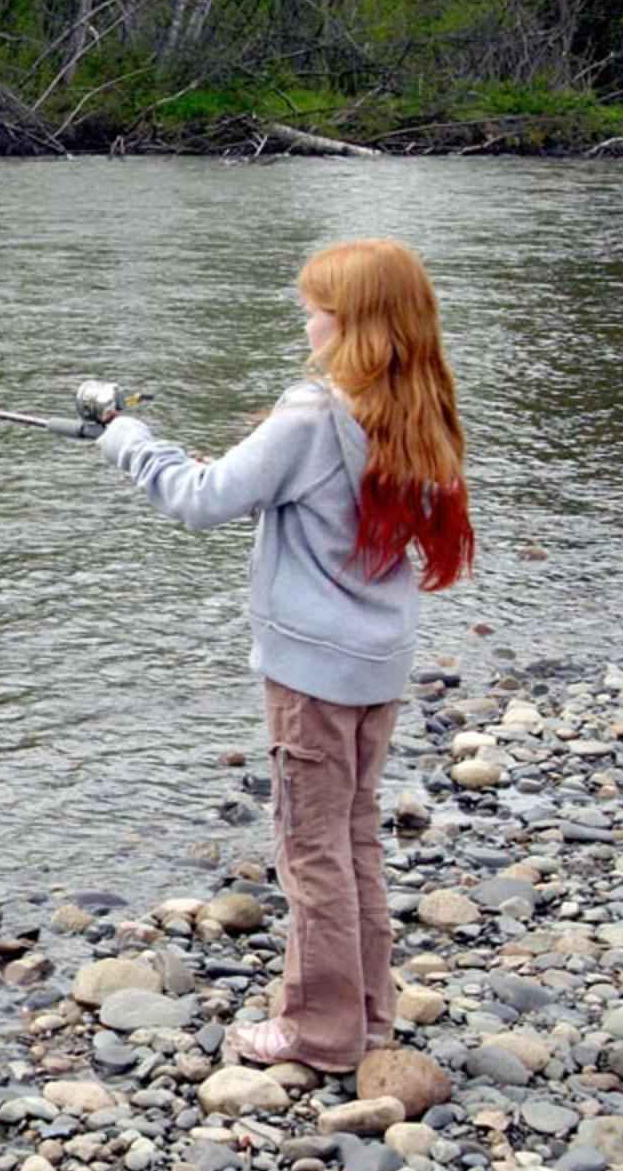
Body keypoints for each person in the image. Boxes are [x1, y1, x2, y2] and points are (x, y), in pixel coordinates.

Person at [93, 238, 476, 1073]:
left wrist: (125, 435)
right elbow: (295, 495)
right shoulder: (418, 407)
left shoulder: (313, 411)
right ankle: (369, 1015)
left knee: (310, 852)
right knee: (354, 839)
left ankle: (320, 1033)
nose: (305, 318)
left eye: (316, 306)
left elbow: (199, 502)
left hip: (312, 674)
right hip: (377, 666)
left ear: (353, 324)